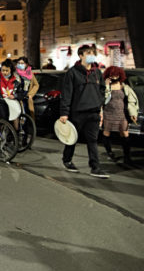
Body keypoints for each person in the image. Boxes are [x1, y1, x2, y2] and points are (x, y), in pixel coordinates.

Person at [59, 44, 108, 178]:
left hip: (94, 112)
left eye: (93, 53)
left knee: (93, 140)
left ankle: (95, 167)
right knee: (72, 139)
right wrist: (64, 113)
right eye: (88, 53)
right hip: (78, 112)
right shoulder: (72, 72)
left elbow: (102, 90)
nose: (91, 56)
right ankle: (67, 160)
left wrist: (100, 105)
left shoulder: (97, 72)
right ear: (81, 56)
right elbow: (67, 93)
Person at [102, 66, 139, 164]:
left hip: (121, 113)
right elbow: (104, 99)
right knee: (106, 133)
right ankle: (109, 153)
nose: (114, 77)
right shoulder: (106, 86)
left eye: (116, 75)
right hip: (108, 113)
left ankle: (127, 157)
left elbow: (132, 101)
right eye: (112, 75)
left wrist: (133, 113)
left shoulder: (124, 86)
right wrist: (107, 86)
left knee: (125, 133)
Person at [0, 58, 26, 128]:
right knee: (3, 114)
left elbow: (21, 93)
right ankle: (2, 128)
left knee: (15, 113)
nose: (5, 72)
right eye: (3, 70)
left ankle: (15, 131)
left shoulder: (16, 79)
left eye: (7, 70)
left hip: (12, 101)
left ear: (11, 70)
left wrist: (14, 96)